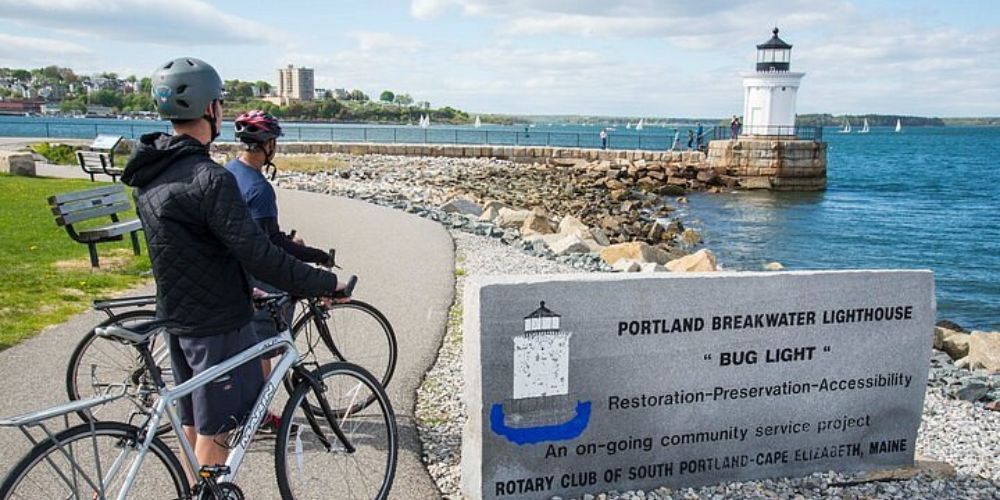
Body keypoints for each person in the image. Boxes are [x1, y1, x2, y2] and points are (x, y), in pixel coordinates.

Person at [122, 57, 349, 477]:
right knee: (218, 432)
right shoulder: (209, 178)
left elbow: (198, 249)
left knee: (194, 424)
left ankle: (197, 490)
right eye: (220, 103)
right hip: (216, 326)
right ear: (211, 109)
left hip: (176, 318)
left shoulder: (152, 175)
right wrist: (325, 281)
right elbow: (259, 253)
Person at [224, 110, 336, 431]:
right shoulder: (259, 189)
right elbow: (271, 246)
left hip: (229, 265)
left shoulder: (230, 172)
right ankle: (255, 413)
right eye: (274, 142)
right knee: (266, 341)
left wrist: (285, 239)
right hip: (251, 272)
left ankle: (247, 404)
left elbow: (256, 233)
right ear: (266, 145)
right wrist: (316, 256)